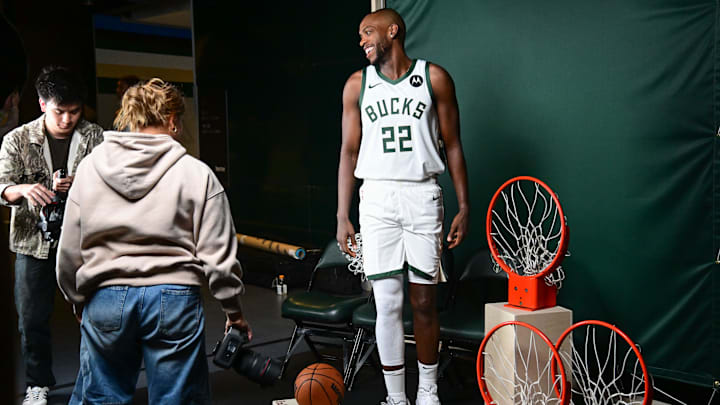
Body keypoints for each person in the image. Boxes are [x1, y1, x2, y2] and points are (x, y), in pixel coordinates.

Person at [56, 78, 250, 404]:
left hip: (104, 297)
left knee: (101, 397)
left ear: (131, 118)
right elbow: (220, 259)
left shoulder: (90, 168)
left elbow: (69, 250)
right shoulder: (196, 174)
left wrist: (78, 299)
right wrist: (234, 312)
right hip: (174, 299)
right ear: (173, 120)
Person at [336, 8, 470, 405]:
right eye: (360, 35)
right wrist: (343, 213)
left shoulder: (434, 78)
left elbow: (455, 144)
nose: (362, 41)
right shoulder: (356, 85)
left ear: (392, 31)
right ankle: (396, 396)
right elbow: (347, 150)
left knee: (424, 301)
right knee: (387, 302)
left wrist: (464, 204)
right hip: (375, 197)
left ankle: (428, 389)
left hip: (422, 194)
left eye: (367, 33)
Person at [0, 66, 104, 405]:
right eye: (60, 111)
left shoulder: (95, 137)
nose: (68, 120)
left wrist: (82, 185)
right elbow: (1, 187)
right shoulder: (16, 139)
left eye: (74, 112)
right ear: (43, 104)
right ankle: (37, 384)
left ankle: (98, 381)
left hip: (84, 242)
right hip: (32, 242)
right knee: (31, 319)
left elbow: (110, 186)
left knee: (96, 315)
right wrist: (24, 189)